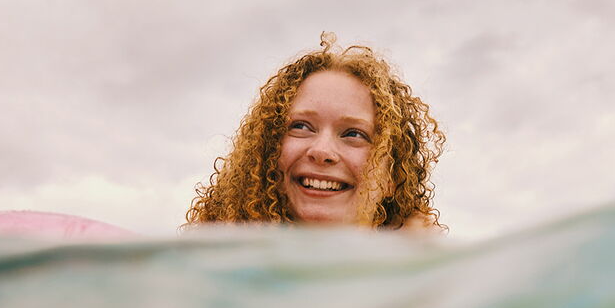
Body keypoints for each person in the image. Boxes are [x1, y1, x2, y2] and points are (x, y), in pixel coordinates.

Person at [186, 33, 445, 233]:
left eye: (354, 134)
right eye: (300, 126)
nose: (322, 151)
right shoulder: (206, 270)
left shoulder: (430, 278)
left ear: (393, 177)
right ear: (267, 152)